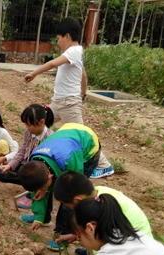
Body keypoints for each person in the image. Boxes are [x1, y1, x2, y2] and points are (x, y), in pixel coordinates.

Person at [24, 17, 114, 179]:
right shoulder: (73, 53)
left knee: (82, 135)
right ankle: (39, 154)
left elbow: (52, 64)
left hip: (69, 103)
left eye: (58, 38)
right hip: (58, 102)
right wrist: (84, 92)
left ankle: (104, 165)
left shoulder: (74, 50)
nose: (58, 42)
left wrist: (34, 73)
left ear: (67, 36)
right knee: (41, 125)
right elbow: (83, 74)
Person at [17, 123, 102, 231]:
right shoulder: (34, 161)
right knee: (45, 188)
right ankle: (44, 219)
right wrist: (39, 216)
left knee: (70, 196)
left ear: (50, 176)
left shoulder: (70, 161)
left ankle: (63, 232)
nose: (40, 191)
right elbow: (37, 190)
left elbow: (74, 193)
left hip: (88, 143)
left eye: (43, 187)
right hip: (66, 134)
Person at [53, 171, 152, 255]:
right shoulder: (97, 193)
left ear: (77, 200)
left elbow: (107, 249)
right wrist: (76, 235)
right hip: (137, 240)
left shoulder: (101, 210)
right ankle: (90, 254)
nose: (69, 209)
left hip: (135, 251)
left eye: (67, 205)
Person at [0, 104, 54, 208]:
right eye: (26, 125)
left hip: (40, 171)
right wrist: (10, 165)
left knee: (30, 173)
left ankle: (32, 192)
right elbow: (22, 152)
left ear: (41, 122)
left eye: (29, 125)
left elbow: (48, 166)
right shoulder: (29, 133)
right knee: (1, 174)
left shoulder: (50, 138)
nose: (27, 128)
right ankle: (29, 184)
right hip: (27, 166)